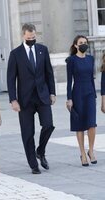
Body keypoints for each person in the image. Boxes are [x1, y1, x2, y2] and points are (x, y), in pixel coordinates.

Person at [7, 23, 56, 174]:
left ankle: (40, 151)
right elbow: (11, 78)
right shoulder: (15, 54)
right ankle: (33, 164)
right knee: (28, 133)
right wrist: (13, 99)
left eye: (34, 37)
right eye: (29, 38)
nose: (32, 39)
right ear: (23, 36)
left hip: (42, 96)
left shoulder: (43, 50)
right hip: (24, 99)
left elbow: (49, 73)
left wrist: (52, 92)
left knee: (48, 125)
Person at [66, 35, 97, 167]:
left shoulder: (91, 59)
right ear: (75, 45)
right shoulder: (71, 60)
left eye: (85, 42)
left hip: (90, 93)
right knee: (79, 124)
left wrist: (95, 95)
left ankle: (91, 150)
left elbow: (91, 78)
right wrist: (69, 99)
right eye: (81, 43)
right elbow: (69, 81)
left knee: (91, 124)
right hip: (77, 93)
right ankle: (83, 153)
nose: (84, 44)